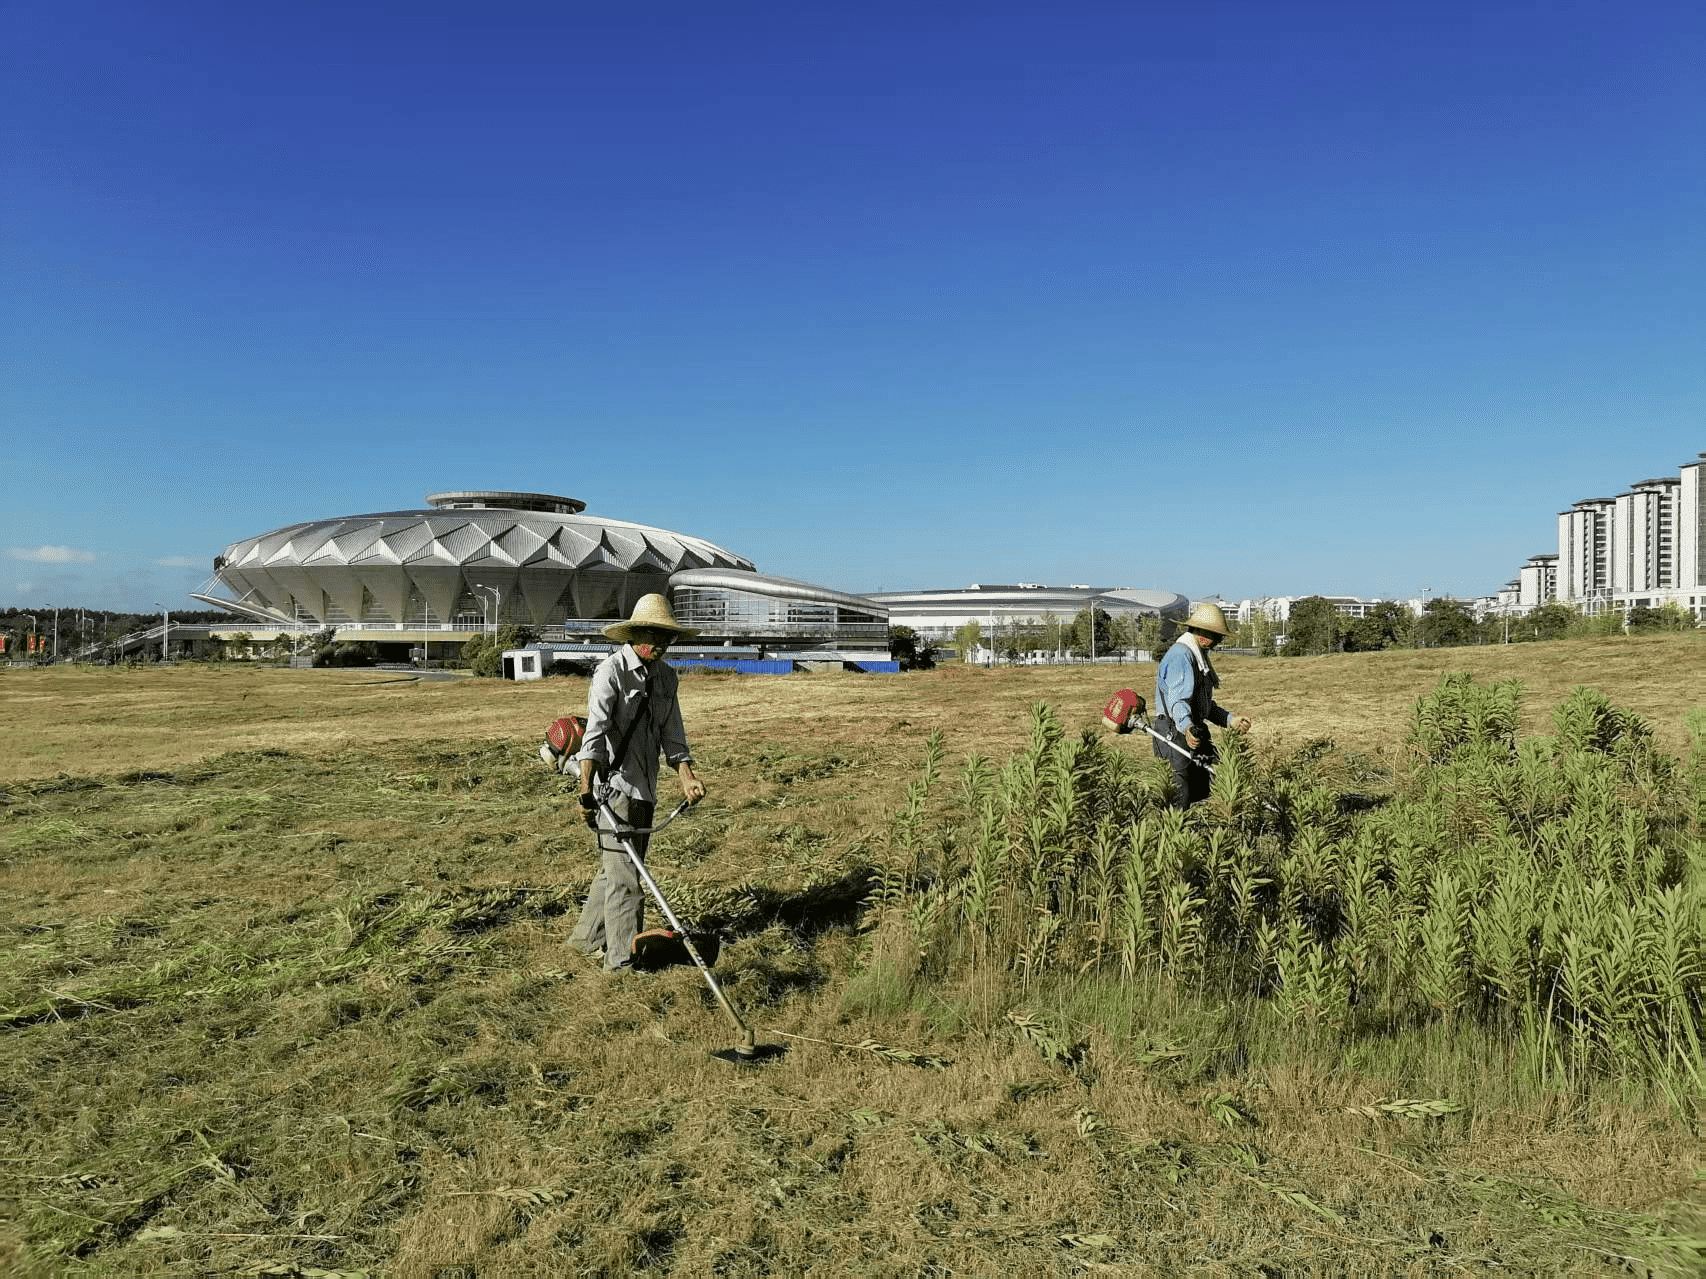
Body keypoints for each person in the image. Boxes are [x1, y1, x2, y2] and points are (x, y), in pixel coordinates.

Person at [568, 594, 706, 972]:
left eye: (668, 636)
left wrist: (687, 777)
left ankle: (584, 941)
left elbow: (673, 734)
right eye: (654, 634)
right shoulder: (611, 672)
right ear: (635, 633)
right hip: (614, 789)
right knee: (627, 879)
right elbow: (594, 737)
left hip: (645, 788)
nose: (661, 643)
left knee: (618, 869)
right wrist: (585, 794)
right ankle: (621, 963)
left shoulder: (666, 677)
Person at [1153, 602, 1252, 808]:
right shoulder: (1181, 655)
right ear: (1204, 633)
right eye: (1217, 635)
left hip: (1190, 730)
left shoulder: (1198, 655)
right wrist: (1188, 727)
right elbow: (1178, 702)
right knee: (1179, 798)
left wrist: (1230, 720)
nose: (1220, 640)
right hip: (1175, 733)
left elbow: (1203, 705)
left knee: (1208, 788)